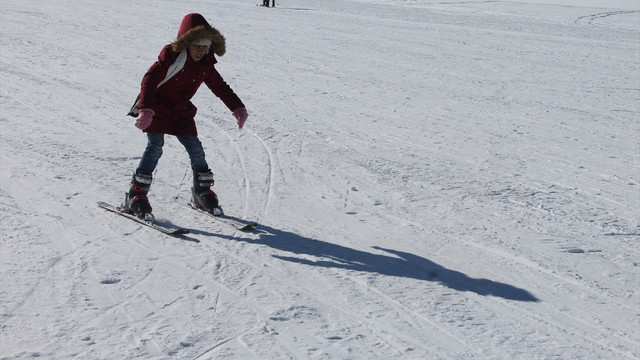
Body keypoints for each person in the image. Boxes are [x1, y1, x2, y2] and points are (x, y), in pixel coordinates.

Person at [124, 13, 248, 220]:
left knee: (195, 149)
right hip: (158, 108)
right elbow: (149, 80)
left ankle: (201, 192)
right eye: (197, 45)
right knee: (155, 147)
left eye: (205, 45)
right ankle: (135, 196)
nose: (201, 50)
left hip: (181, 110)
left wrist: (238, 108)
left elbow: (220, 87)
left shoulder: (206, 64)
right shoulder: (171, 57)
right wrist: (145, 109)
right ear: (186, 43)